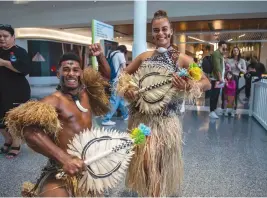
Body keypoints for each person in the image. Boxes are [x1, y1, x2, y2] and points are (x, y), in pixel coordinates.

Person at [117, 10, 211, 197]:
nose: (160, 33)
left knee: (157, 165)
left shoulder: (182, 59)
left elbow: (206, 82)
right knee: (145, 164)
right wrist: (127, 88)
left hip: (166, 123)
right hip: (141, 121)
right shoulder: (144, 57)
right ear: (152, 33)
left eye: (164, 29)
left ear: (171, 31)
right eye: (156, 30)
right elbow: (123, 77)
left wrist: (188, 85)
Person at [4, 44, 111, 197]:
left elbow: (105, 77)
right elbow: (29, 130)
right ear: (58, 73)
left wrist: (100, 56)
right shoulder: (53, 101)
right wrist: (65, 159)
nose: (71, 74)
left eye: (75, 70)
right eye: (66, 69)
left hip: (88, 163)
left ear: (81, 73)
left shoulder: (87, 94)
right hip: (61, 168)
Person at [0, 24, 31, 158]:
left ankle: (16, 144)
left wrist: (4, 63)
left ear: (13, 37)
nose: (2, 39)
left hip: (17, 92)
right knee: (1, 121)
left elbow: (24, 70)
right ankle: (8, 140)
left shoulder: (20, 52)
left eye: (5, 36)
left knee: (13, 120)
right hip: (1, 91)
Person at [101, 45, 129, 126]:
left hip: (112, 79)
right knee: (114, 100)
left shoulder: (111, 54)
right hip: (118, 81)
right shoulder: (120, 55)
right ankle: (106, 119)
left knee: (120, 100)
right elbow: (125, 69)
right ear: (124, 51)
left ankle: (126, 115)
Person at [224, 46, 246, 115]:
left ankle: (234, 109)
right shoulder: (229, 60)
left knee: (235, 94)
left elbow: (245, 71)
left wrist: (239, 68)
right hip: (229, 77)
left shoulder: (242, 60)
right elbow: (226, 69)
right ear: (232, 52)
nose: (235, 51)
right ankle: (227, 108)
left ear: (239, 52)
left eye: (237, 50)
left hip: (236, 77)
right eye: (234, 50)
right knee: (227, 93)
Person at [209, 40, 227, 119]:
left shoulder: (221, 54)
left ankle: (214, 109)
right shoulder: (216, 53)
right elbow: (217, 67)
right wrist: (220, 78)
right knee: (214, 95)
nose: (226, 47)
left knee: (216, 95)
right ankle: (211, 111)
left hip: (219, 79)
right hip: (216, 78)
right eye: (225, 45)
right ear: (221, 45)